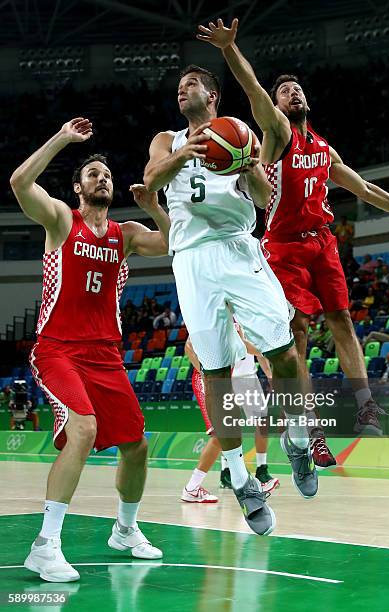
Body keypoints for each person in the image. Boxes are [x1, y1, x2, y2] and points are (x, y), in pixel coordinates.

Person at [197, 18, 389, 444]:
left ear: (307, 101)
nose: (292, 93)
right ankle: (309, 419)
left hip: (322, 243)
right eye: (284, 92)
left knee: (342, 319)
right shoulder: (276, 135)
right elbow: (254, 90)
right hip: (282, 247)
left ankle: (366, 401)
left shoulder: (323, 149)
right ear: (276, 107)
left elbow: (367, 189)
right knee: (295, 330)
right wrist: (229, 49)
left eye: (297, 90)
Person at [144, 65, 318, 537]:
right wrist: (188, 153)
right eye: (179, 86)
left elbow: (263, 198)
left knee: (283, 353)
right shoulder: (168, 138)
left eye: (191, 84)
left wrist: (245, 163)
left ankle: (298, 438)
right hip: (192, 260)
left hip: (240, 248)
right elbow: (151, 177)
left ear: (213, 94)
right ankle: (241, 481)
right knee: (217, 373)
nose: (182, 89)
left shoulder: (240, 133)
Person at [10, 117, 171, 582]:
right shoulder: (62, 220)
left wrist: (156, 207)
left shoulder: (126, 234)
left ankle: (124, 529)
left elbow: (177, 245)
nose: (103, 178)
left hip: (105, 355)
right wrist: (62, 138)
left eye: (107, 174)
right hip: (58, 350)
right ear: (78, 188)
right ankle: (45, 545)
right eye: (93, 174)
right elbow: (20, 182)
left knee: (137, 446)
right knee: (82, 429)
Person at [181, 331, 279, 503]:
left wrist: (265, 351)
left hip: (222, 379)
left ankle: (242, 481)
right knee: (222, 434)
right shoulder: (210, 314)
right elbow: (188, 346)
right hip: (208, 380)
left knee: (228, 433)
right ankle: (193, 487)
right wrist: (205, 372)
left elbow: (243, 345)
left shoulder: (233, 317)